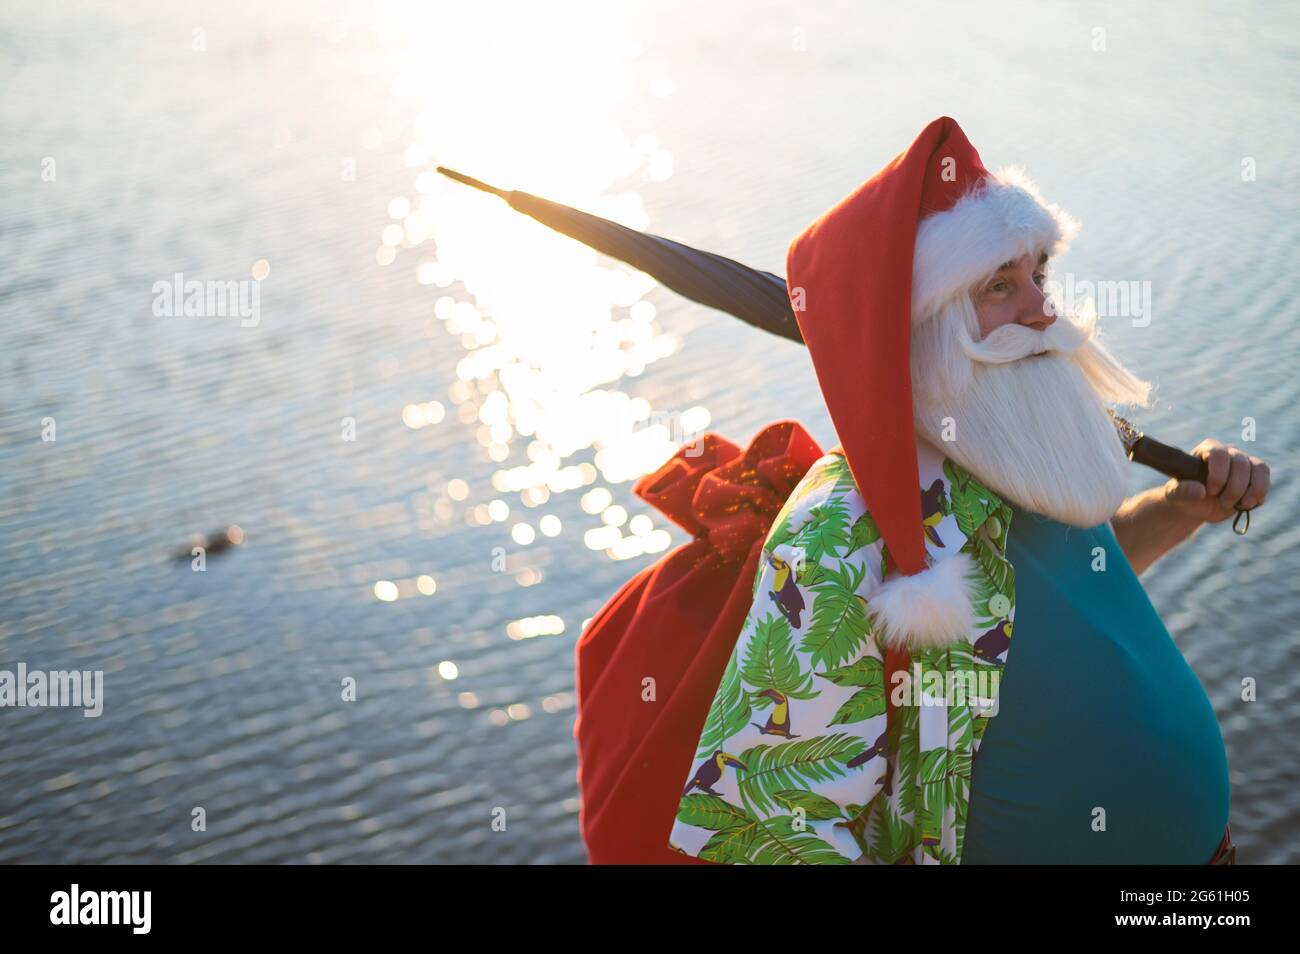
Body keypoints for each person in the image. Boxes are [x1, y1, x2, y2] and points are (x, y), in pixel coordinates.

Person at [576, 117, 1270, 865]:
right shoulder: (838, 531)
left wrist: (1179, 510)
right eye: (1000, 287)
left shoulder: (1035, 440)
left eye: (1039, 275)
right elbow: (770, 830)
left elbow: (1066, 598)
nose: (1042, 310)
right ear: (920, 327)